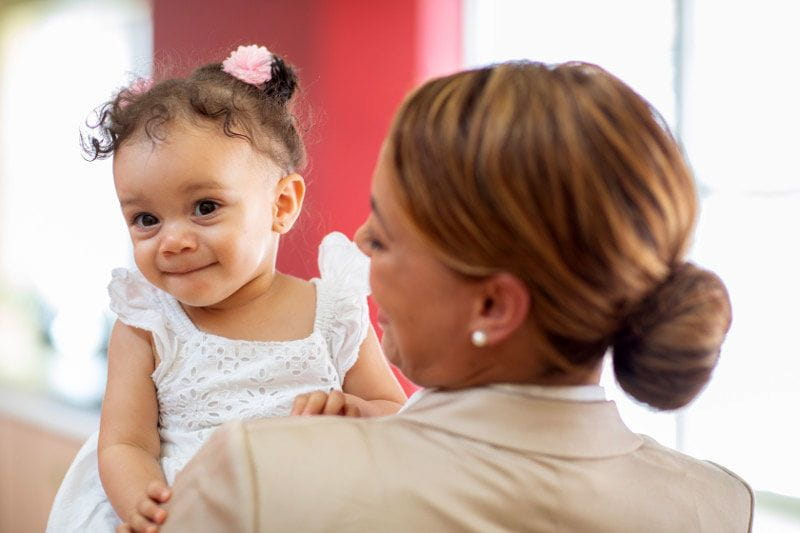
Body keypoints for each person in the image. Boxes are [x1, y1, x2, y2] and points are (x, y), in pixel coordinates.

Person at [154, 61, 753, 532]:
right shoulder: (722, 507)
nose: (359, 242)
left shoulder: (257, 477)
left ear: (492, 307)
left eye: (385, 236)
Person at [46, 44, 407, 533]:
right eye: (146, 219)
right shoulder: (148, 326)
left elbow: (395, 414)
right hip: (191, 511)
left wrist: (356, 411)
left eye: (205, 207)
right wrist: (147, 507)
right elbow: (124, 444)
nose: (173, 240)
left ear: (281, 204)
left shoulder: (334, 313)